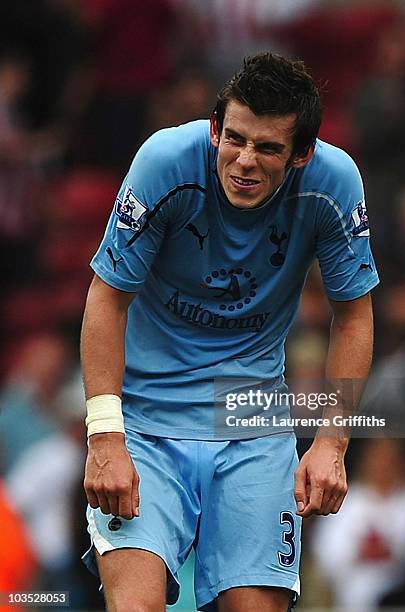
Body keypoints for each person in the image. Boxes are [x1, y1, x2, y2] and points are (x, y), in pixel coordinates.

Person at [81, 52, 378, 612]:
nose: (244, 161)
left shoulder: (333, 185)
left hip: (252, 423)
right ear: (216, 127)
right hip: (146, 425)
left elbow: (354, 315)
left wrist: (333, 442)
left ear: (301, 156)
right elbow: (106, 298)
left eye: (267, 148)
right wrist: (104, 436)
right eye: (234, 138)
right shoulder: (165, 162)